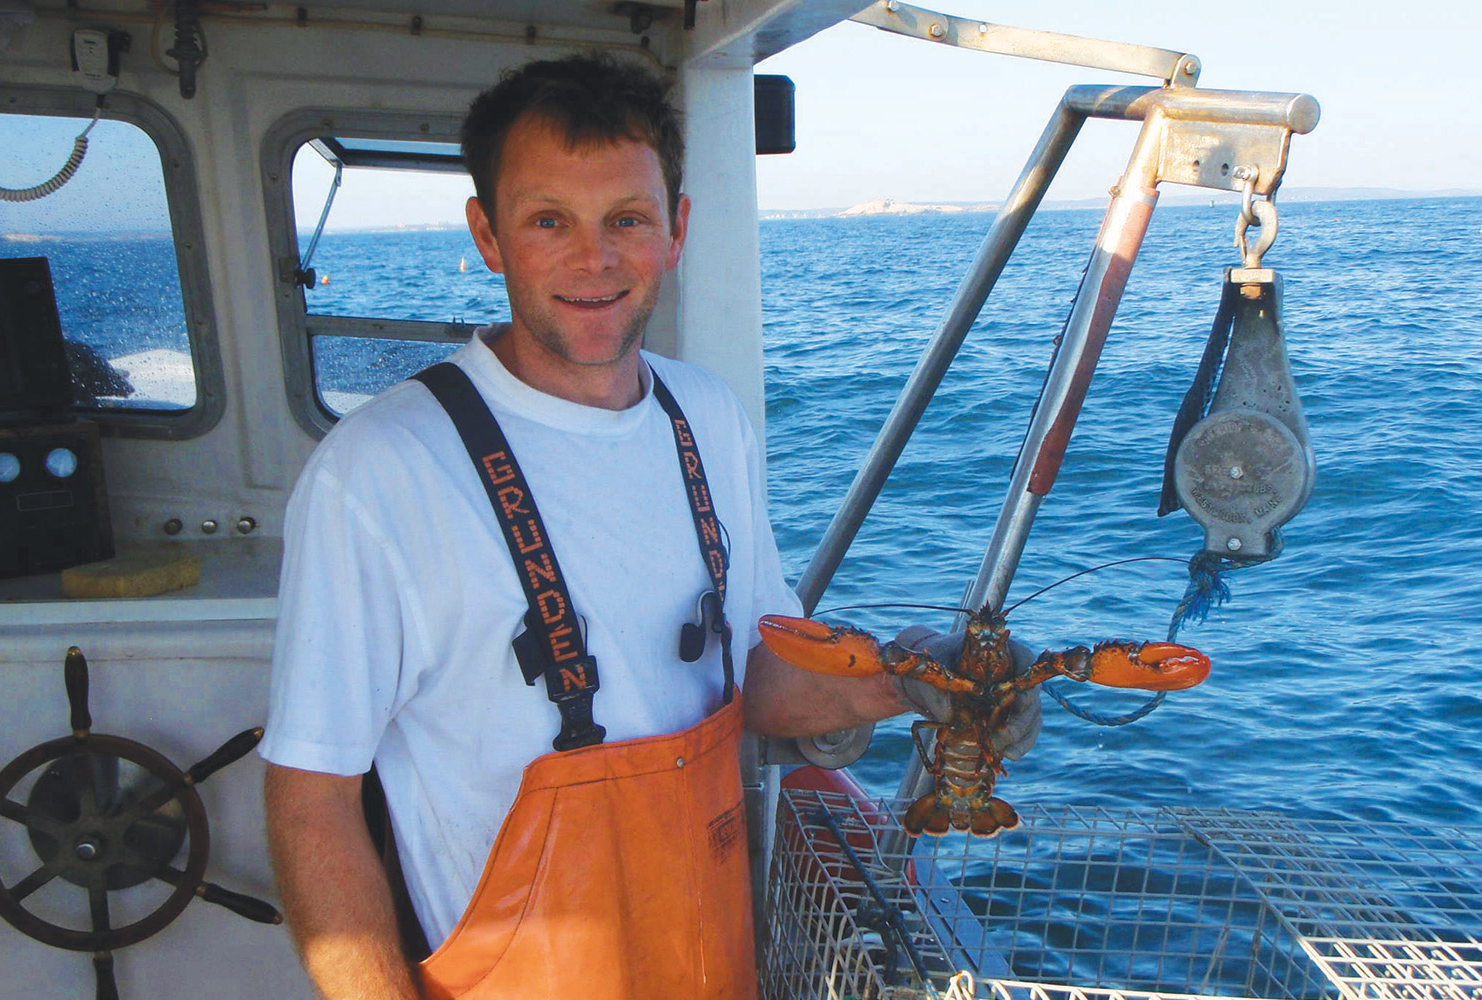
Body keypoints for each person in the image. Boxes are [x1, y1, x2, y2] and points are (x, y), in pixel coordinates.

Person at [261, 54, 1037, 1000]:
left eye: (627, 219)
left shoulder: (706, 417)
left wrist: (917, 678)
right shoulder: (377, 472)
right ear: (488, 235)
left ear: (677, 227)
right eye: (550, 221)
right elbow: (312, 802)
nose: (595, 260)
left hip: (707, 963)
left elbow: (764, 670)